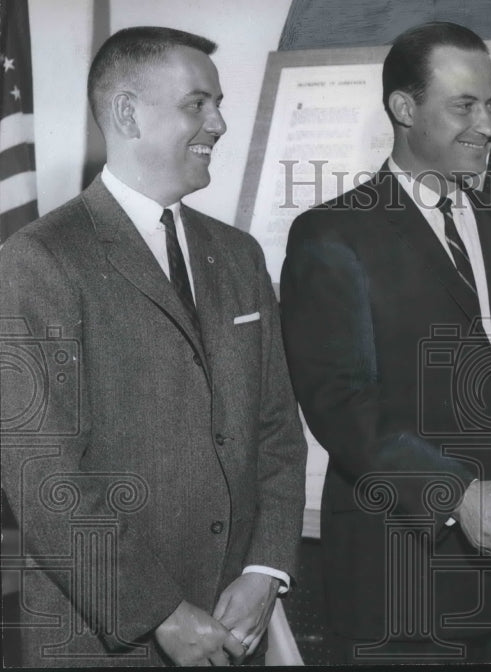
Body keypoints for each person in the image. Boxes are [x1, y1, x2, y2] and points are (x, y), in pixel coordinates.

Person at [0, 27, 307, 666]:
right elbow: (41, 475)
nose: (219, 123)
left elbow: (276, 431)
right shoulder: (40, 260)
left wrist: (265, 569)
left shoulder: (239, 256)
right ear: (127, 113)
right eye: (198, 104)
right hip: (105, 639)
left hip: (237, 622)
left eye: (218, 103)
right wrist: (158, 613)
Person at [281, 21, 491, 664]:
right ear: (403, 109)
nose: (488, 125)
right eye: (464, 105)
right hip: (403, 583)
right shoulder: (332, 234)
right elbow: (338, 401)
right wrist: (455, 493)